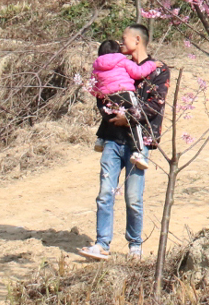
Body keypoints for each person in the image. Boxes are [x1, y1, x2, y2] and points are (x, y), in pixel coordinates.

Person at [79, 25, 167, 262]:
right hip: (112, 138)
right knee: (105, 193)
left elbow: (156, 105)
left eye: (124, 38)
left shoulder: (158, 70)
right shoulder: (116, 63)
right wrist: (111, 116)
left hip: (139, 143)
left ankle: (134, 245)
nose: (120, 42)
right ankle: (101, 243)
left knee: (133, 197)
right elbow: (101, 95)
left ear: (137, 40)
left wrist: (127, 118)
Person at [89, 39, 159, 166]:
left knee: (110, 115)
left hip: (107, 96)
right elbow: (139, 73)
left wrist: (100, 94)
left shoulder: (96, 67)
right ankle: (138, 152)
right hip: (125, 93)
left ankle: (100, 139)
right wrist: (152, 65)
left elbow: (92, 87)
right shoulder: (122, 61)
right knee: (133, 120)